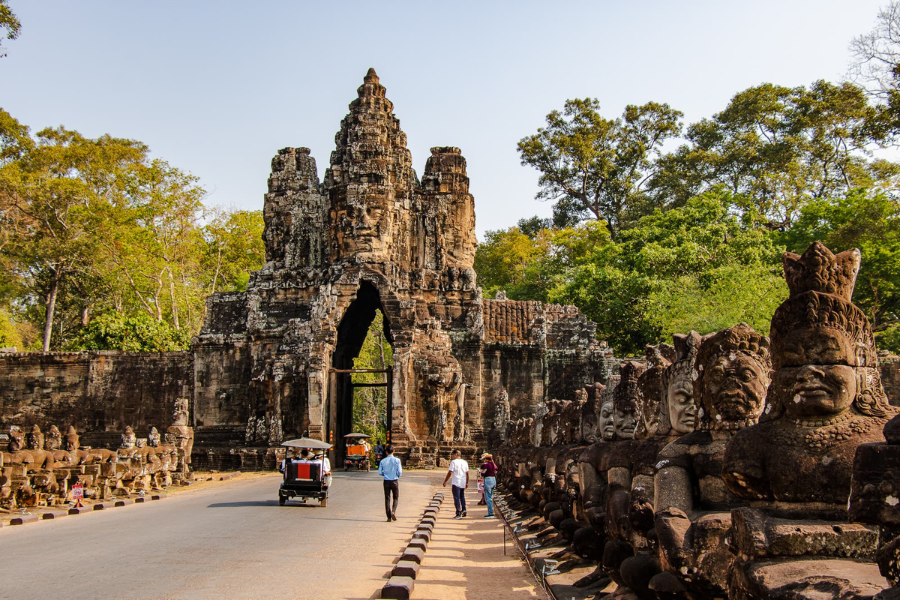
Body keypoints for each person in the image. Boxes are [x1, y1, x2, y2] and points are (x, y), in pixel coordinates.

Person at [378, 444, 402, 522]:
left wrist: (385, 474)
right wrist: (397, 475)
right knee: (396, 497)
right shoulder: (397, 460)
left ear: (386, 452)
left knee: (387, 498)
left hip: (386, 481)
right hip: (394, 481)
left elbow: (379, 472)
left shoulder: (383, 461)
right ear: (394, 451)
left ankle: (388, 517)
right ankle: (393, 511)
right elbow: (400, 472)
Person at [443, 450, 470, 519]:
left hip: (456, 482)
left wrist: (445, 481)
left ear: (455, 454)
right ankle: (464, 509)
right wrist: (466, 482)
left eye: (452, 455)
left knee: (456, 498)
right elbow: (467, 473)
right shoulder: (465, 462)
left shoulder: (453, 462)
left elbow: (450, 472)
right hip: (463, 481)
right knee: (462, 496)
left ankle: (458, 512)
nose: (452, 456)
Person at [479, 453, 497, 518]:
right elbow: (496, 468)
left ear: (486, 459)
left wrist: (480, 472)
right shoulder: (492, 464)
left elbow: (483, 472)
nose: (483, 460)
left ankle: (491, 513)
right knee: (490, 497)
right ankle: (491, 511)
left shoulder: (486, 465)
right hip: (493, 480)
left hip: (488, 480)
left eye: (484, 459)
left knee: (488, 498)